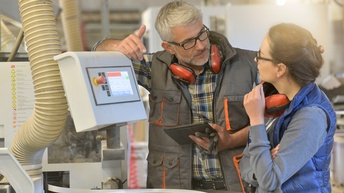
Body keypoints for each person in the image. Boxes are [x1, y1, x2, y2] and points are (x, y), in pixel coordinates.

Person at [93, 1, 258, 191]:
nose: (200, 46)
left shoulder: (250, 65)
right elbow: (97, 55)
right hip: (177, 186)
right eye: (188, 42)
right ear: (169, 47)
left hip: (238, 185)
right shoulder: (153, 68)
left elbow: (276, 123)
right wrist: (118, 45)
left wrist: (233, 140)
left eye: (201, 35)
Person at [239, 23, 337, 193]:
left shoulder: (311, 117)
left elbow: (268, 181)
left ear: (280, 69)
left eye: (261, 55)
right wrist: (262, 165)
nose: (256, 60)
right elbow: (245, 161)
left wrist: (256, 121)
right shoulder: (274, 100)